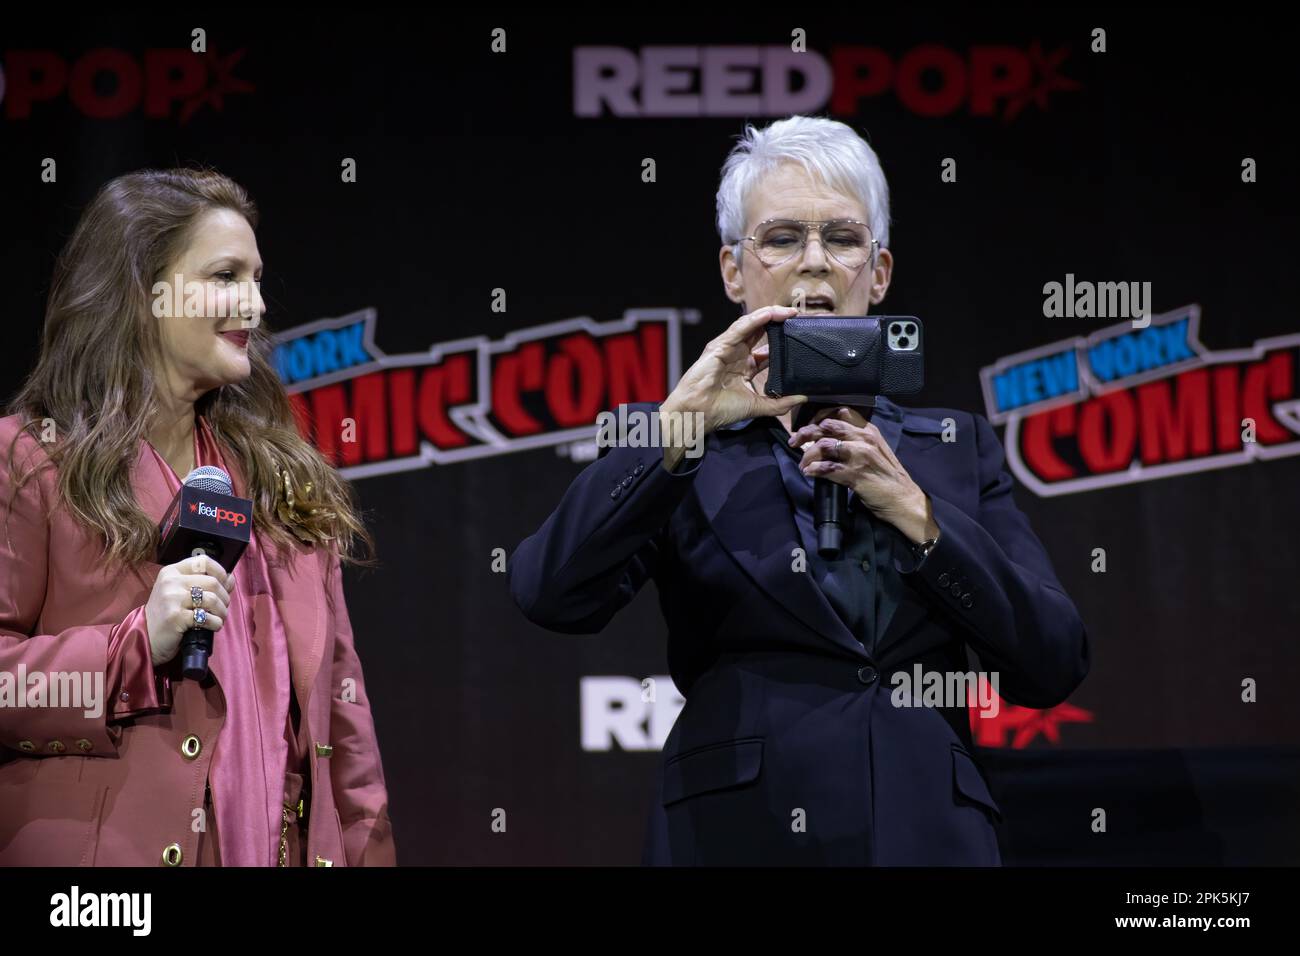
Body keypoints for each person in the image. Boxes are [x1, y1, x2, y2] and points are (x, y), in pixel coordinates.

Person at [509, 115, 1089, 865]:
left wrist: (915, 513)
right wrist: (681, 425)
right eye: (781, 239)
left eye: (842, 239)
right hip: (735, 834)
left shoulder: (954, 446)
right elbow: (548, 593)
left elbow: (1052, 663)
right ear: (733, 270)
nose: (814, 264)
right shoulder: (670, 438)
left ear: (878, 272)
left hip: (926, 835)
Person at [0, 168, 394, 867]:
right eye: (226, 276)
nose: (256, 302)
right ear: (144, 292)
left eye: (258, 278)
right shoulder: (31, 461)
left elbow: (347, 740)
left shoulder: (286, 484)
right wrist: (132, 645)